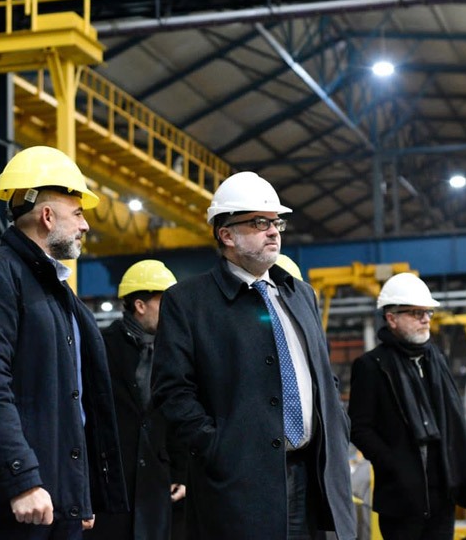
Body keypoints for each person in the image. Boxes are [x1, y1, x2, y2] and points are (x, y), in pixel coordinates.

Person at [0, 146, 127, 539]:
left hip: (57, 502)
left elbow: (73, 403)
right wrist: (21, 479)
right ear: (47, 215)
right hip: (16, 504)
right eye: (78, 213)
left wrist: (80, 492)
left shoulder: (60, 296)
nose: (85, 226)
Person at [152, 171, 357, 539]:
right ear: (226, 234)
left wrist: (337, 429)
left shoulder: (300, 294)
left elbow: (324, 375)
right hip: (239, 485)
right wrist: (219, 448)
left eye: (276, 221)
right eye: (259, 222)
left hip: (314, 477)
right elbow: (172, 393)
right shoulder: (188, 302)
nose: (273, 231)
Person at [348, 273, 466, 540]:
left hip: (443, 494)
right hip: (401, 500)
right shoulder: (372, 366)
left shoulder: (436, 359)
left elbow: (452, 419)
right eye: (416, 313)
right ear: (391, 318)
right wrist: (393, 465)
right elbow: (360, 428)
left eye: (427, 312)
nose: (426, 319)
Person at [87, 260, 187, 540]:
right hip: (113, 486)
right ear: (140, 305)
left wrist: (182, 472)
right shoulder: (101, 347)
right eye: (164, 301)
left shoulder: (174, 351)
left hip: (160, 484)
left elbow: (178, 413)